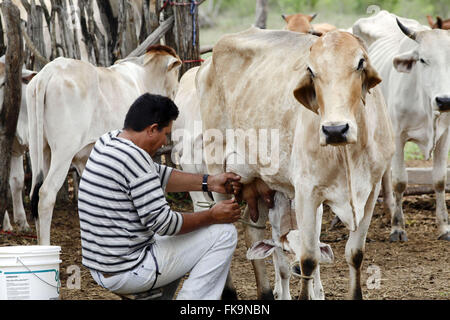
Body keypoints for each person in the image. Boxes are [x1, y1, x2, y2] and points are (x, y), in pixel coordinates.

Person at [78, 93, 242, 300]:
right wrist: (212, 216)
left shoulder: (109, 141)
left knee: (184, 236)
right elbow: (166, 224)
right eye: (165, 134)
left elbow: (159, 175)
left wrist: (209, 182)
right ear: (152, 129)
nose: (165, 141)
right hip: (128, 269)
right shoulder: (135, 159)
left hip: (103, 265)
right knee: (224, 233)